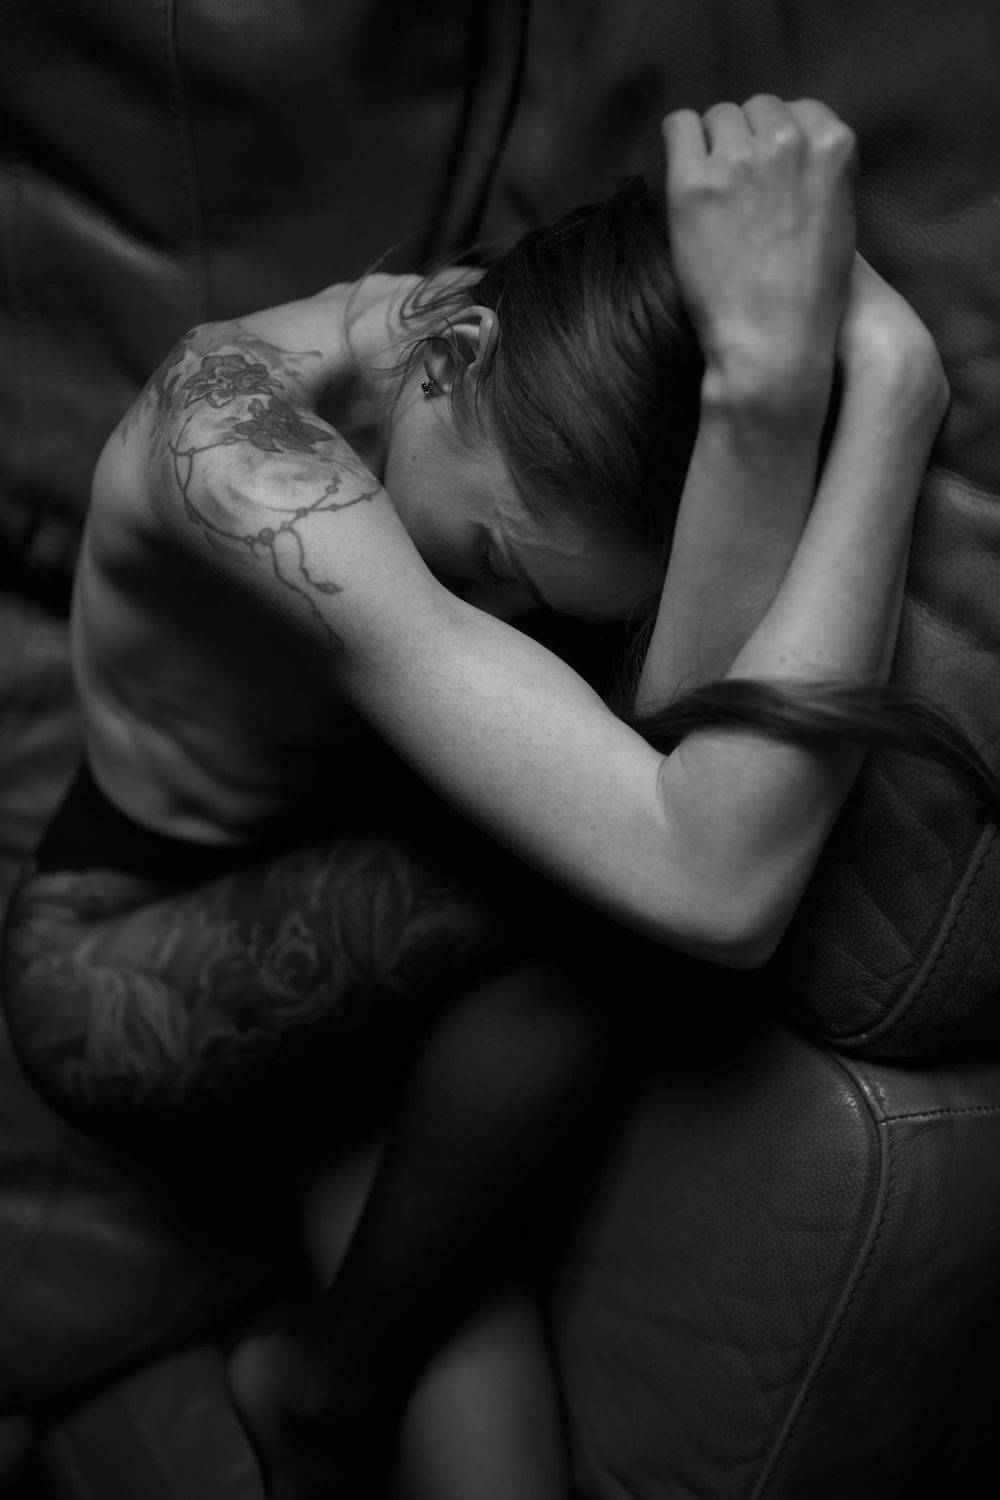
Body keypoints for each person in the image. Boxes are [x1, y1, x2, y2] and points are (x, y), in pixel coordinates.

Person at [1, 94, 985, 1500]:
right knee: (605, 901)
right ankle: (326, 1383)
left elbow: (673, 742)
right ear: (454, 354)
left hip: (405, 967)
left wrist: (789, 394)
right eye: (493, 566)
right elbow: (713, 875)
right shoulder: (229, 435)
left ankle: (316, 1388)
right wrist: (874, 389)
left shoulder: (510, 391)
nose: (510, 625)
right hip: (131, 956)